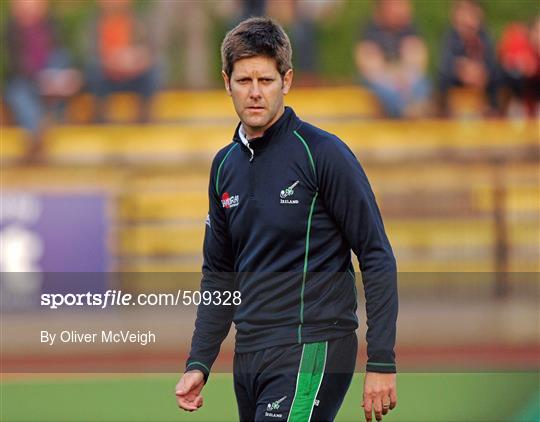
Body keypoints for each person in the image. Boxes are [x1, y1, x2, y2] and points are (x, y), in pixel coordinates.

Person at [175, 17, 398, 422]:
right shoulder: (224, 166)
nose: (255, 92)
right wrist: (200, 361)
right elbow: (220, 274)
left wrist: (380, 360)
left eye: (266, 80)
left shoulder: (323, 154)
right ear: (226, 82)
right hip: (251, 354)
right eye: (244, 81)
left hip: (315, 345)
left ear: (287, 80)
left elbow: (376, 254)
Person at [4, 0, 82, 162]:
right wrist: (39, 79)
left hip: (52, 76)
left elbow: (63, 55)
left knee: (62, 64)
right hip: (26, 80)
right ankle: (38, 132)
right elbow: (16, 65)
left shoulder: (52, 26)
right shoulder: (11, 30)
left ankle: (45, 128)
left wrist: (63, 76)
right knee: (18, 93)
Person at [86, 0, 159, 123]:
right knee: (93, 68)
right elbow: (90, 53)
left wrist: (137, 59)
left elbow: (149, 51)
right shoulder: (94, 25)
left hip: (134, 74)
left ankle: (144, 115)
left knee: (156, 68)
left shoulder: (139, 22)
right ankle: (100, 114)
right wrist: (113, 61)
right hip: (107, 75)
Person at [354, 0, 430, 118]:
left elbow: (418, 60)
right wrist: (394, 76)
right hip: (384, 80)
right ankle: (406, 112)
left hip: (405, 79)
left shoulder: (409, 28)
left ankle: (414, 110)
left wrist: (404, 76)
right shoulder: (370, 30)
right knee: (384, 90)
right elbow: (370, 67)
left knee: (422, 82)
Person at [437, 0, 500, 116]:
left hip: (482, 84)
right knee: (444, 78)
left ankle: (492, 108)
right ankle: (447, 110)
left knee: (497, 76)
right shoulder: (450, 37)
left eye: (472, 14)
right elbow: (445, 65)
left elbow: (491, 63)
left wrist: (480, 72)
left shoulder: (485, 37)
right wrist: (462, 71)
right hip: (457, 84)